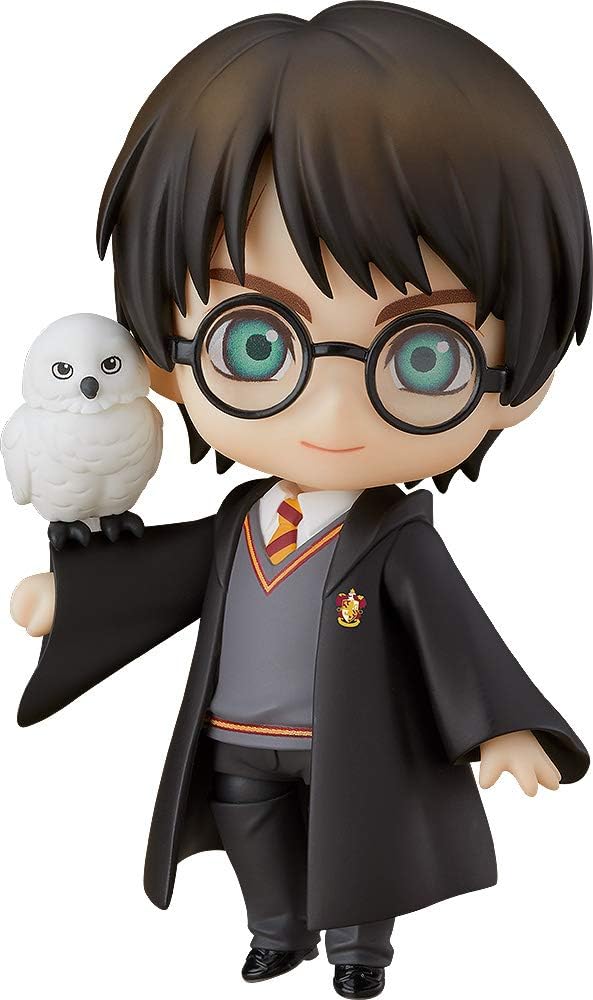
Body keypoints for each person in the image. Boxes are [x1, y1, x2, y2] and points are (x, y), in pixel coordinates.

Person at [10, 5, 591, 998]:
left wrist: (500, 725)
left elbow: (458, 637)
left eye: (422, 355)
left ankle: (359, 951)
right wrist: (79, 596)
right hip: (238, 735)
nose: (331, 410)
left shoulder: (395, 541)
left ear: (518, 382)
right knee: (252, 832)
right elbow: (166, 576)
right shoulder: (240, 524)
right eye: (256, 344)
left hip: (351, 745)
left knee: (358, 843)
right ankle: (273, 930)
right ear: (162, 356)